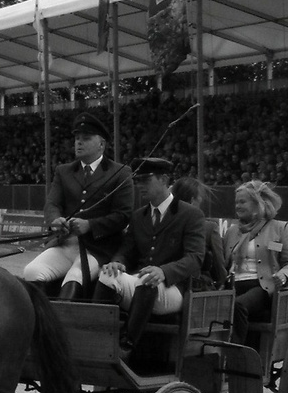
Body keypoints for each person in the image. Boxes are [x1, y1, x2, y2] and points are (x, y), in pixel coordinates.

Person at [96, 157, 206, 356]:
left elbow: (195, 258)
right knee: (107, 275)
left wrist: (164, 271)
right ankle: (96, 336)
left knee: (148, 281)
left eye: (145, 180)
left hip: (175, 288)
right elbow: (127, 250)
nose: (139, 186)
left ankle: (126, 344)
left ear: (164, 180)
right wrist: (117, 262)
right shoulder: (138, 216)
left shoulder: (190, 215)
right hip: (142, 282)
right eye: (137, 181)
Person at [23, 111, 135, 299]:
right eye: (77, 138)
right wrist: (55, 220)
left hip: (98, 249)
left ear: (102, 144)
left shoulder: (120, 173)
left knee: (74, 278)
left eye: (86, 138)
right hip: (65, 244)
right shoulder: (64, 171)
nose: (79, 142)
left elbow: (123, 215)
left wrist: (90, 225)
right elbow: (52, 203)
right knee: (31, 271)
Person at [223, 180, 288, 345]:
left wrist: (283, 275)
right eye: (236, 202)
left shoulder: (281, 228)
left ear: (258, 203)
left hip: (262, 286)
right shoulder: (232, 231)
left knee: (238, 305)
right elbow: (224, 263)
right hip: (233, 283)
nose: (237, 206)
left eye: (242, 201)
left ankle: (234, 350)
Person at [171, 176, 228, 291]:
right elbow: (219, 267)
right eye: (200, 197)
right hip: (195, 287)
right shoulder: (209, 228)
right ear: (193, 200)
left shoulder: (164, 223)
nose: (201, 199)